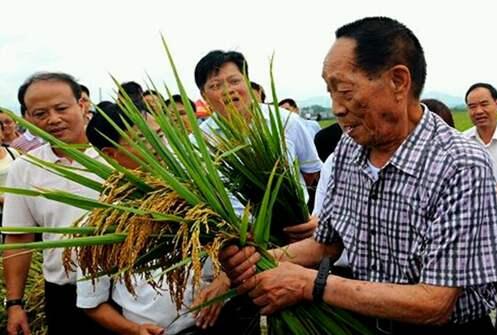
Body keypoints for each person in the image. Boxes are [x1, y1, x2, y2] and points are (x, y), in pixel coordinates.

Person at [220, 17, 497, 334]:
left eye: (344, 90)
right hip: (362, 321)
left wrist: (310, 283)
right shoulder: (347, 153)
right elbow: (327, 244)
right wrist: (260, 259)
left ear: (398, 81)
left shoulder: (460, 164)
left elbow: (434, 302)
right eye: (330, 92)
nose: (336, 108)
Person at [194, 50, 322, 334]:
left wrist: (312, 218)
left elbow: (314, 176)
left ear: (249, 84)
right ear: (204, 97)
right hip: (235, 256)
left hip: (293, 245)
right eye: (215, 86)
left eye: (234, 81)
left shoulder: (285, 122)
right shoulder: (198, 144)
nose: (228, 91)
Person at [79, 104, 230, 335]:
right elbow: (93, 303)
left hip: (224, 322)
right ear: (111, 154)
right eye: (143, 139)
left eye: (160, 135)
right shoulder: (103, 223)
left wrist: (225, 279)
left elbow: (239, 245)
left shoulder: (202, 190)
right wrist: (134, 330)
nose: (159, 146)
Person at [2, 72, 110, 335]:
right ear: (27, 118)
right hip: (64, 295)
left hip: (125, 291)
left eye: (61, 108)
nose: (53, 119)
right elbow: (19, 238)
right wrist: (15, 304)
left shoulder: (115, 157)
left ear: (82, 105)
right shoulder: (25, 168)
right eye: (40, 113)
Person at [463, 83, 497, 181]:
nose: (479, 111)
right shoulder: (463, 141)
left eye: (484, 104)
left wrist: (492, 190)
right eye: (472, 106)